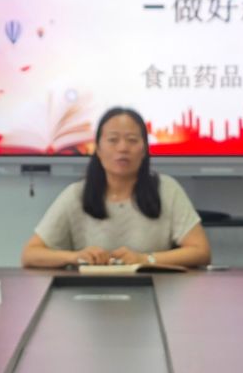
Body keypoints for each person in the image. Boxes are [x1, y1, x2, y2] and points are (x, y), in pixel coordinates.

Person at [22, 107, 211, 269]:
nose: (123, 148)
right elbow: (30, 254)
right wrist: (74, 257)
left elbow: (201, 251)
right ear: (98, 148)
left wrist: (145, 259)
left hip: (157, 291)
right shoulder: (76, 194)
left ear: (144, 149)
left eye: (132, 140)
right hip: (88, 294)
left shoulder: (167, 189)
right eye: (113, 140)